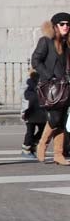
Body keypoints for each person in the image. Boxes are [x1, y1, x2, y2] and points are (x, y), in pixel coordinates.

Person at [31, 11, 70, 165]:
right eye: (62, 24)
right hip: (52, 87)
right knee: (55, 118)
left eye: (68, 24)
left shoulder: (68, 42)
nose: (66, 27)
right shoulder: (46, 41)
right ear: (55, 26)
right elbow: (36, 60)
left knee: (62, 119)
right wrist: (49, 76)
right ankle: (42, 144)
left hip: (66, 86)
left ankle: (58, 154)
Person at [21, 70, 44, 159]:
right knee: (30, 132)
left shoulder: (41, 83)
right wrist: (23, 112)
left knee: (42, 130)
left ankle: (31, 144)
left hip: (39, 112)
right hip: (30, 113)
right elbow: (25, 101)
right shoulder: (28, 87)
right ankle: (26, 149)